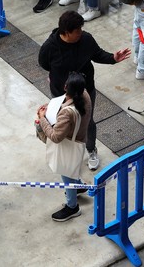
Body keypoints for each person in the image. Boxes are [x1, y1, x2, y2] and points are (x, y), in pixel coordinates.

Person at [38, 10, 131, 170]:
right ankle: (67, 153)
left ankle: (91, 150)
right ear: (66, 33)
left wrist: (113, 58)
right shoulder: (50, 47)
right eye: (77, 31)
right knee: (62, 123)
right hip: (60, 94)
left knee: (87, 122)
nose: (81, 33)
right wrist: (55, 75)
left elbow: (97, 54)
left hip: (85, 91)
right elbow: (44, 64)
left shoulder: (85, 39)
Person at [37, 72, 91, 222]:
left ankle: (72, 207)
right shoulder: (84, 95)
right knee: (72, 170)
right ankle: (79, 186)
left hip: (68, 146)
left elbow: (55, 136)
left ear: (66, 87)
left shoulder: (67, 113)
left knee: (66, 173)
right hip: (80, 139)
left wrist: (42, 119)